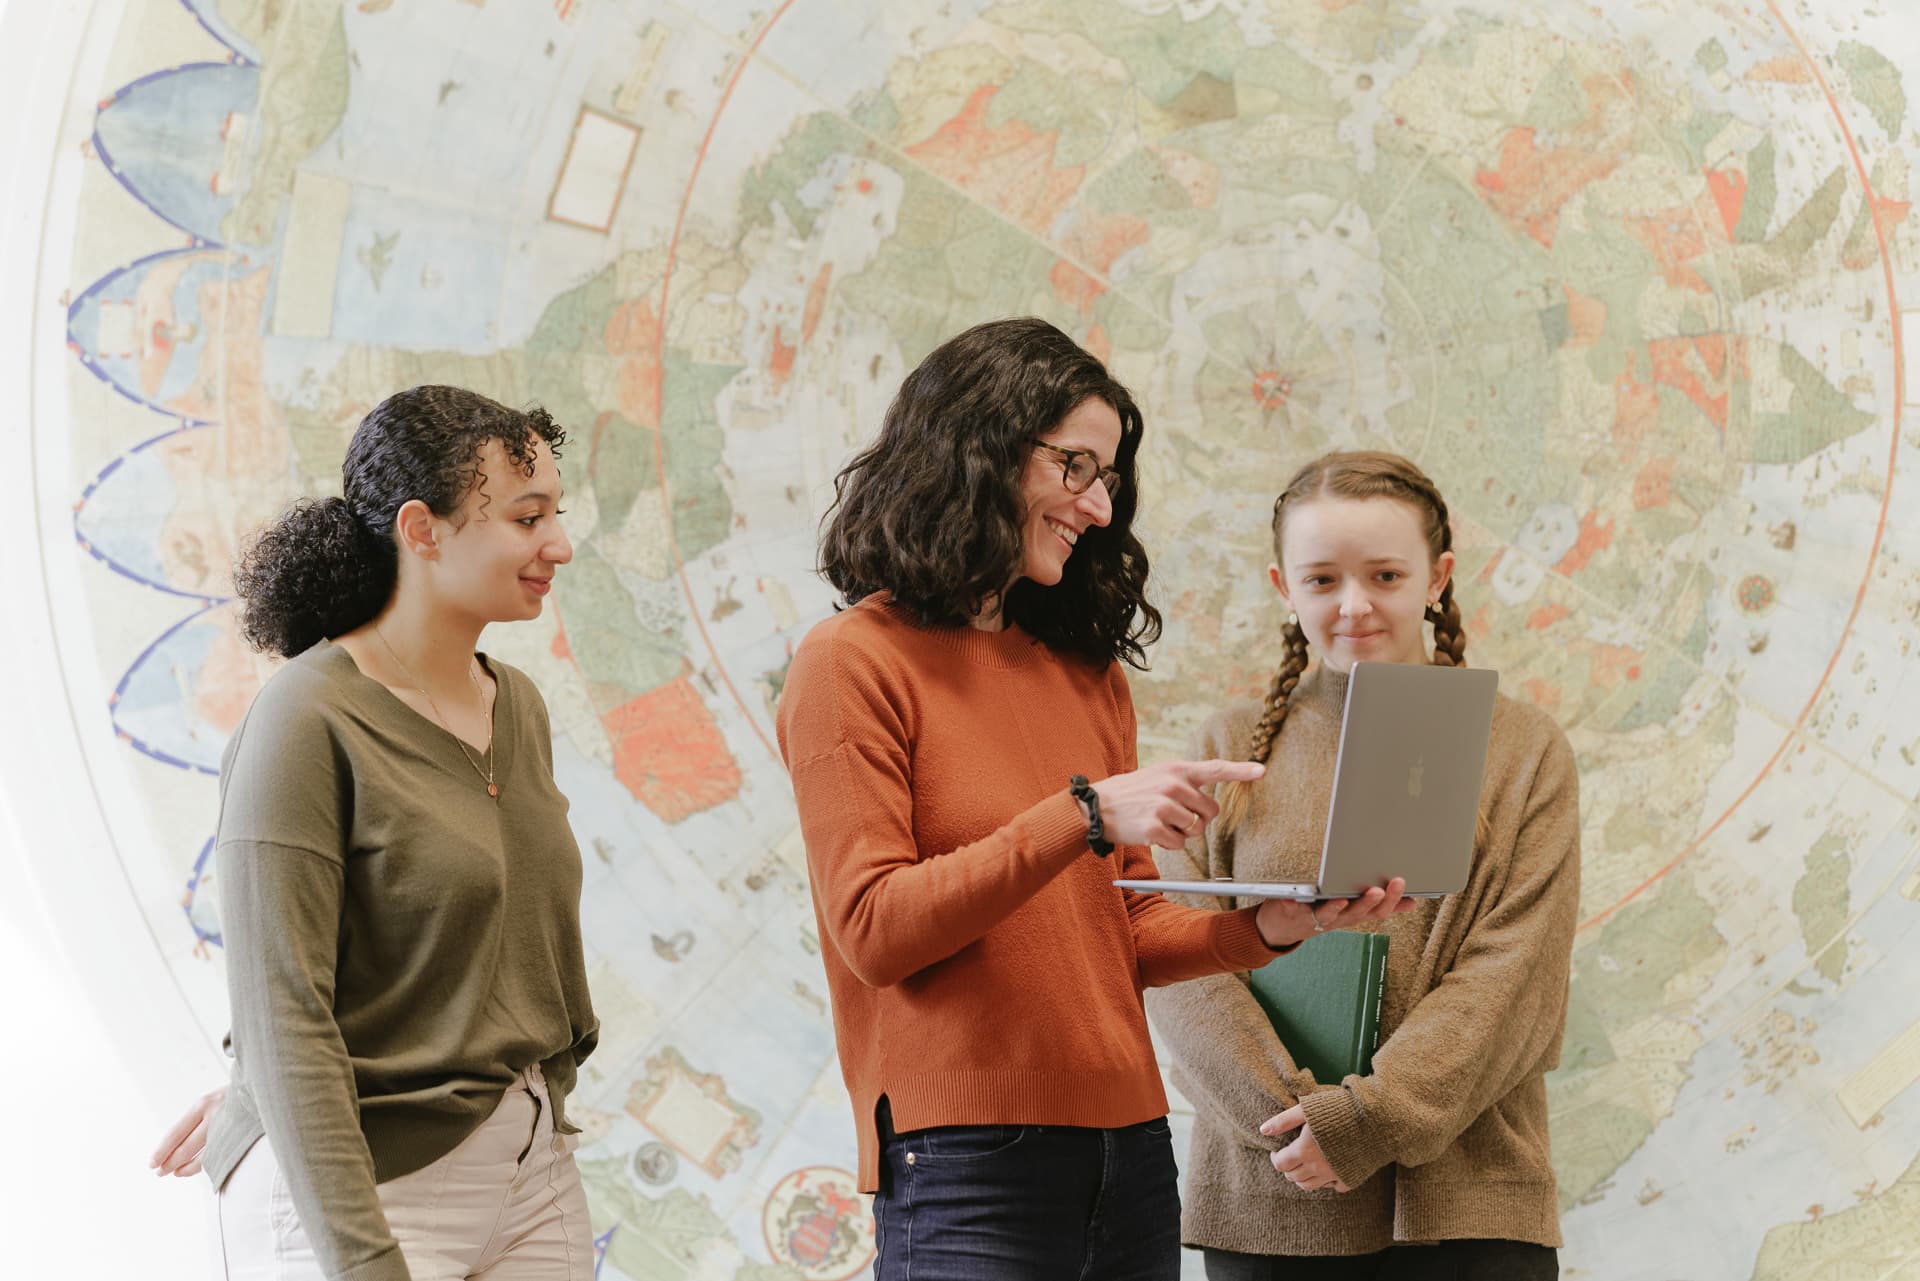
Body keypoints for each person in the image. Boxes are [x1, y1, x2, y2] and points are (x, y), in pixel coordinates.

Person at [774, 319, 1415, 1281]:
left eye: (1108, 477)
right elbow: (874, 929)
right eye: (1076, 467)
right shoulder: (849, 662)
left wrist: (1272, 926)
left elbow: (1132, 926)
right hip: (961, 1164)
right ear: (977, 448)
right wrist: (1080, 815)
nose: (1100, 507)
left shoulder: (1085, 675)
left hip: (1131, 1150)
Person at [153, 385, 599, 1281]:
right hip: (361, 1191)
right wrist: (361, 1258)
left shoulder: (520, 708)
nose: (560, 543)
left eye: (556, 512)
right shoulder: (303, 720)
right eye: (526, 517)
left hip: (530, 1169)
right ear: (421, 529)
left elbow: (487, 960)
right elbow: (285, 1020)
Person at [1143, 451, 1581, 1281]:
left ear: (1438, 575)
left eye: (1385, 573)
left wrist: (1366, 1122)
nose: (1354, 605)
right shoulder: (1226, 749)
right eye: (1321, 580)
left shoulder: (1524, 749)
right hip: (1272, 1206)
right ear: (1283, 586)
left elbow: (1517, 972)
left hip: (1472, 1212)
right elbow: (1181, 962)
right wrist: (1300, 1127)